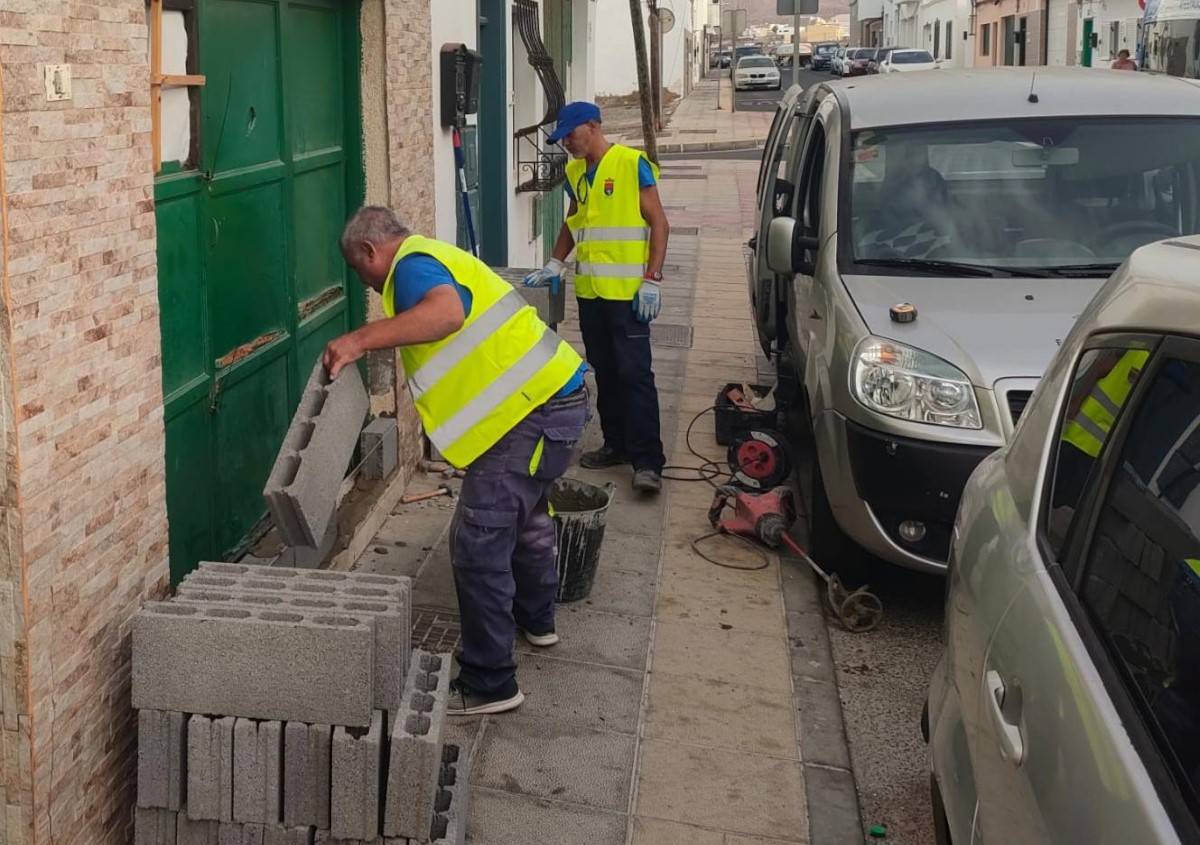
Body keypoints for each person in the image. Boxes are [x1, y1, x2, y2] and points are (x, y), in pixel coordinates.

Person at [325, 206, 589, 717]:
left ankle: (491, 683)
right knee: (529, 519)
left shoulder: (410, 267)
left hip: (529, 412)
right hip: (554, 401)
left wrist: (358, 340)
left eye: (361, 273)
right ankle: (537, 620)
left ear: (368, 251)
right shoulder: (433, 254)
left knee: (478, 542)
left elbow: (447, 314)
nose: (367, 283)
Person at [523, 101, 670, 493]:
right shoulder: (576, 172)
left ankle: (647, 461)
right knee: (605, 370)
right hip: (591, 294)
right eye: (563, 138)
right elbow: (574, 222)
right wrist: (555, 262)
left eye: (571, 135)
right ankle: (616, 445)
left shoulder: (629, 163)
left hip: (628, 296)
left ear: (592, 126)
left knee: (635, 375)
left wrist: (653, 278)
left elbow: (659, 223)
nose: (567, 143)